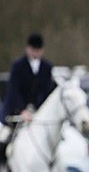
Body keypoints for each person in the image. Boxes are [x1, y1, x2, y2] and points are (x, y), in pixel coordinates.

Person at [0, 33, 56, 163]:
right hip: (15, 111)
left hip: (37, 111)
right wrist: (21, 110)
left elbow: (46, 91)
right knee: (3, 136)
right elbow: (14, 91)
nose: (36, 53)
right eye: (34, 50)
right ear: (28, 49)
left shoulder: (47, 67)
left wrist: (39, 110)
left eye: (38, 50)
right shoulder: (18, 66)